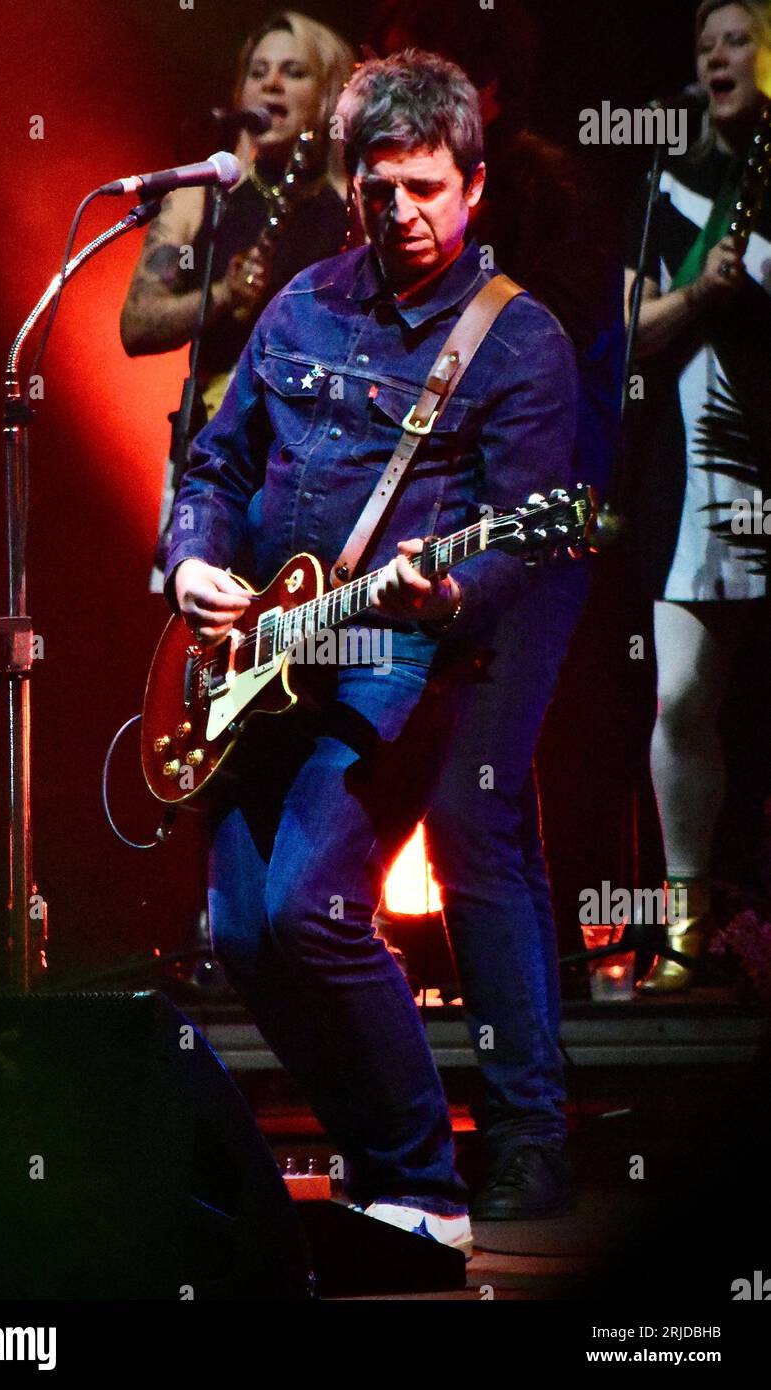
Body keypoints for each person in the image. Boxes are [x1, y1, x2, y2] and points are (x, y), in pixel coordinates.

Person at [163, 49, 580, 1254]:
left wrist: (452, 588)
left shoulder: (518, 344)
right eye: (380, 188)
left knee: (311, 909)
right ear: (350, 187)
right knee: (239, 932)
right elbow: (217, 461)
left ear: (474, 187)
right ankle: (369, 1174)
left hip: (398, 667)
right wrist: (194, 555)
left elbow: (524, 540)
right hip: (260, 660)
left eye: (427, 190)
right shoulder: (299, 305)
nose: (401, 212)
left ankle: (426, 1185)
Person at [367, 0, 624, 1219]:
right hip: (397, 563)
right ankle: (405, 1140)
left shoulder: (544, 200)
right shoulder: (372, 215)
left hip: (522, 542)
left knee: (475, 824)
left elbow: (564, 399)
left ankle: (526, 1133)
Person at [623, 0, 771, 992]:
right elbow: (630, 330)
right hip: (693, 471)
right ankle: (684, 920)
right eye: (704, 44)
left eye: (739, 39)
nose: (717, 58)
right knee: (679, 695)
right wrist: (701, 292)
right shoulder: (664, 183)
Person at [120, 11, 354, 588]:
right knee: (190, 638)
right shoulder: (201, 198)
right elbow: (136, 324)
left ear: (326, 92)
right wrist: (226, 294)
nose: (270, 85)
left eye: (293, 72)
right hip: (210, 458)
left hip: (309, 464)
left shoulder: (355, 206)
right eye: (258, 71)